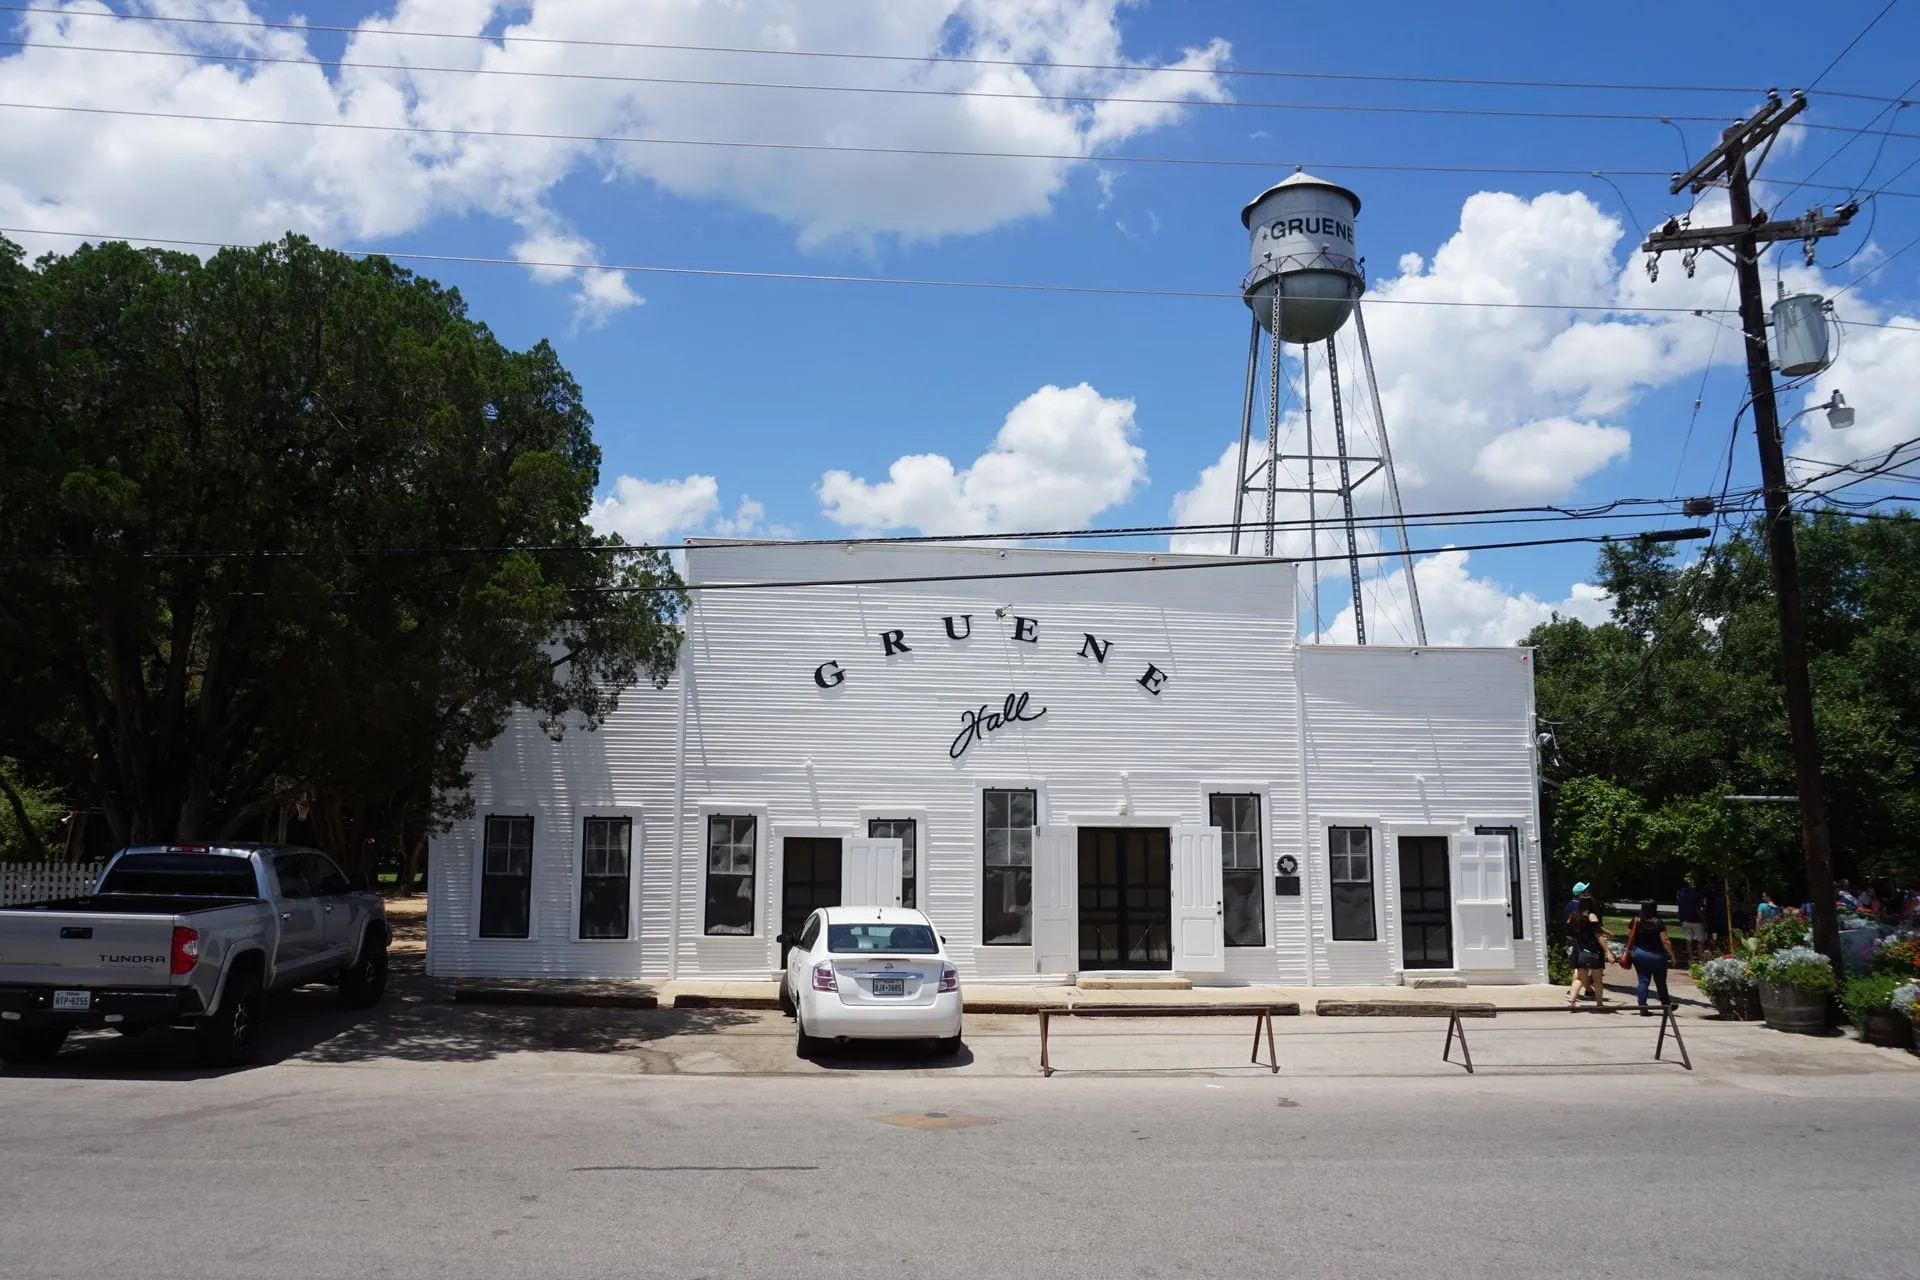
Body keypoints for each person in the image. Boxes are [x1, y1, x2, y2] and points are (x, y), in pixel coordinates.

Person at [1621, 900, 1676, 1014]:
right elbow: (1665, 940)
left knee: (1643, 980)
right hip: (1657, 955)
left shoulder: (1636, 920)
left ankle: (1642, 1007)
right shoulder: (1658, 922)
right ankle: (1666, 1005)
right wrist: (1672, 955)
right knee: (1660, 982)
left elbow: (1629, 933)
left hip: (1640, 954)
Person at [1566, 896, 1613, 1010]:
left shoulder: (1572, 916)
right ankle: (1599, 1004)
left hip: (1579, 951)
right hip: (1594, 951)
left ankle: (1572, 1000)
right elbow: (1598, 935)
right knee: (1597, 979)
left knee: (1580, 978)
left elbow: (1568, 934)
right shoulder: (1592, 916)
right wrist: (1608, 951)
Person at [1676, 882, 1707, 953]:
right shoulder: (1697, 895)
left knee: (1689, 940)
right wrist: (1704, 919)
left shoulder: (1681, 896)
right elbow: (1698, 909)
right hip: (1696, 921)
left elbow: (1680, 909)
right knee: (1700, 941)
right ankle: (1701, 958)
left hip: (1685, 921)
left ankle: (1691, 958)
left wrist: (1680, 919)